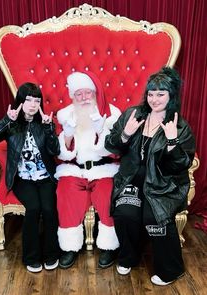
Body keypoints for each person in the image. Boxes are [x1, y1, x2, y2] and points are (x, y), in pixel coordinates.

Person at [105, 67, 195, 285]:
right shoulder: (132, 114)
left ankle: (171, 270)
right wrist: (125, 133)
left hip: (163, 185)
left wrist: (172, 142)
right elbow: (110, 145)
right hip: (132, 181)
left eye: (160, 94)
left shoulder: (179, 126)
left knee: (155, 218)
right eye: (151, 94)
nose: (154, 99)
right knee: (125, 213)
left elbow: (183, 165)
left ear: (170, 96)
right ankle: (129, 257)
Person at [0, 82, 61, 273]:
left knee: (49, 209)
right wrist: (6, 121)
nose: (33, 105)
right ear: (20, 101)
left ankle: (52, 254)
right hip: (22, 178)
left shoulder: (44, 122)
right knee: (33, 208)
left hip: (45, 176)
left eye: (37, 100)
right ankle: (31, 257)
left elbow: (54, 150)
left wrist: (49, 129)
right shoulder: (13, 124)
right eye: (28, 100)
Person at [55, 71, 121, 269]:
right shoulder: (66, 116)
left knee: (108, 194)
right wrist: (67, 136)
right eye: (78, 94)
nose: (83, 99)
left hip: (103, 170)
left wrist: (102, 131)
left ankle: (109, 246)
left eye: (87, 93)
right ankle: (69, 247)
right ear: (73, 96)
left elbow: (116, 151)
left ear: (94, 94)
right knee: (65, 192)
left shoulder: (110, 115)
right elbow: (62, 154)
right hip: (74, 170)